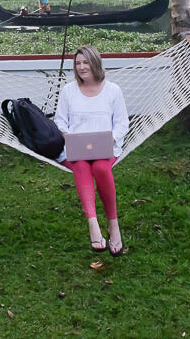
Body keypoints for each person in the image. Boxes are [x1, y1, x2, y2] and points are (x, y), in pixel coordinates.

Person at [53, 45, 129, 256]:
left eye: (86, 62)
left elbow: (122, 123)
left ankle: (113, 225)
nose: (81, 67)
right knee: (81, 166)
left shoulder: (113, 90)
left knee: (101, 169)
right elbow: (60, 121)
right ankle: (93, 224)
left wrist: (109, 138)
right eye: (78, 63)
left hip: (106, 148)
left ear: (96, 63)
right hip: (76, 149)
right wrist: (69, 137)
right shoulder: (69, 91)